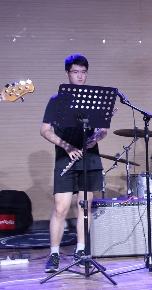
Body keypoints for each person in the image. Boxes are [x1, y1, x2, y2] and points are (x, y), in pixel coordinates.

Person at [40, 54, 108, 272]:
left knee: (84, 207)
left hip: (89, 157)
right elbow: (45, 130)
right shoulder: (57, 100)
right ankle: (54, 254)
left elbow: (103, 129)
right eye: (75, 72)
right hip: (66, 157)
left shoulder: (94, 99)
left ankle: (81, 251)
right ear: (67, 73)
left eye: (83, 72)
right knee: (61, 208)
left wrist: (96, 138)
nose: (80, 76)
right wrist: (67, 147)